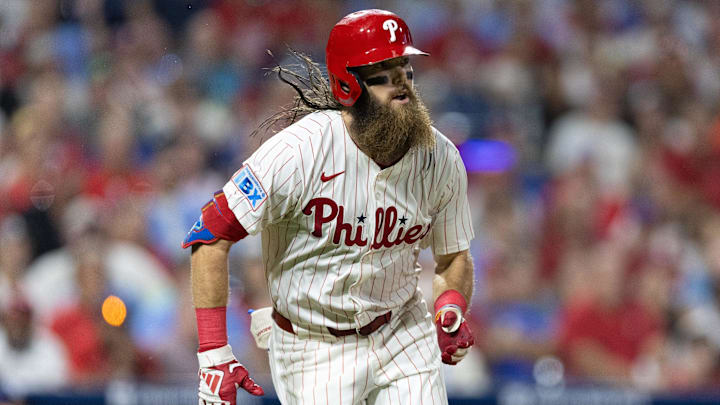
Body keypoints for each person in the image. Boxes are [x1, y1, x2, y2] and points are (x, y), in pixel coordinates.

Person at [182, 9, 475, 405]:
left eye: (405, 68)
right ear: (348, 85)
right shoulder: (300, 152)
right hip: (313, 346)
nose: (402, 85)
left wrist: (451, 304)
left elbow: (453, 256)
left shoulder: (439, 158)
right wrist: (215, 354)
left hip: (402, 333)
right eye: (383, 74)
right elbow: (210, 232)